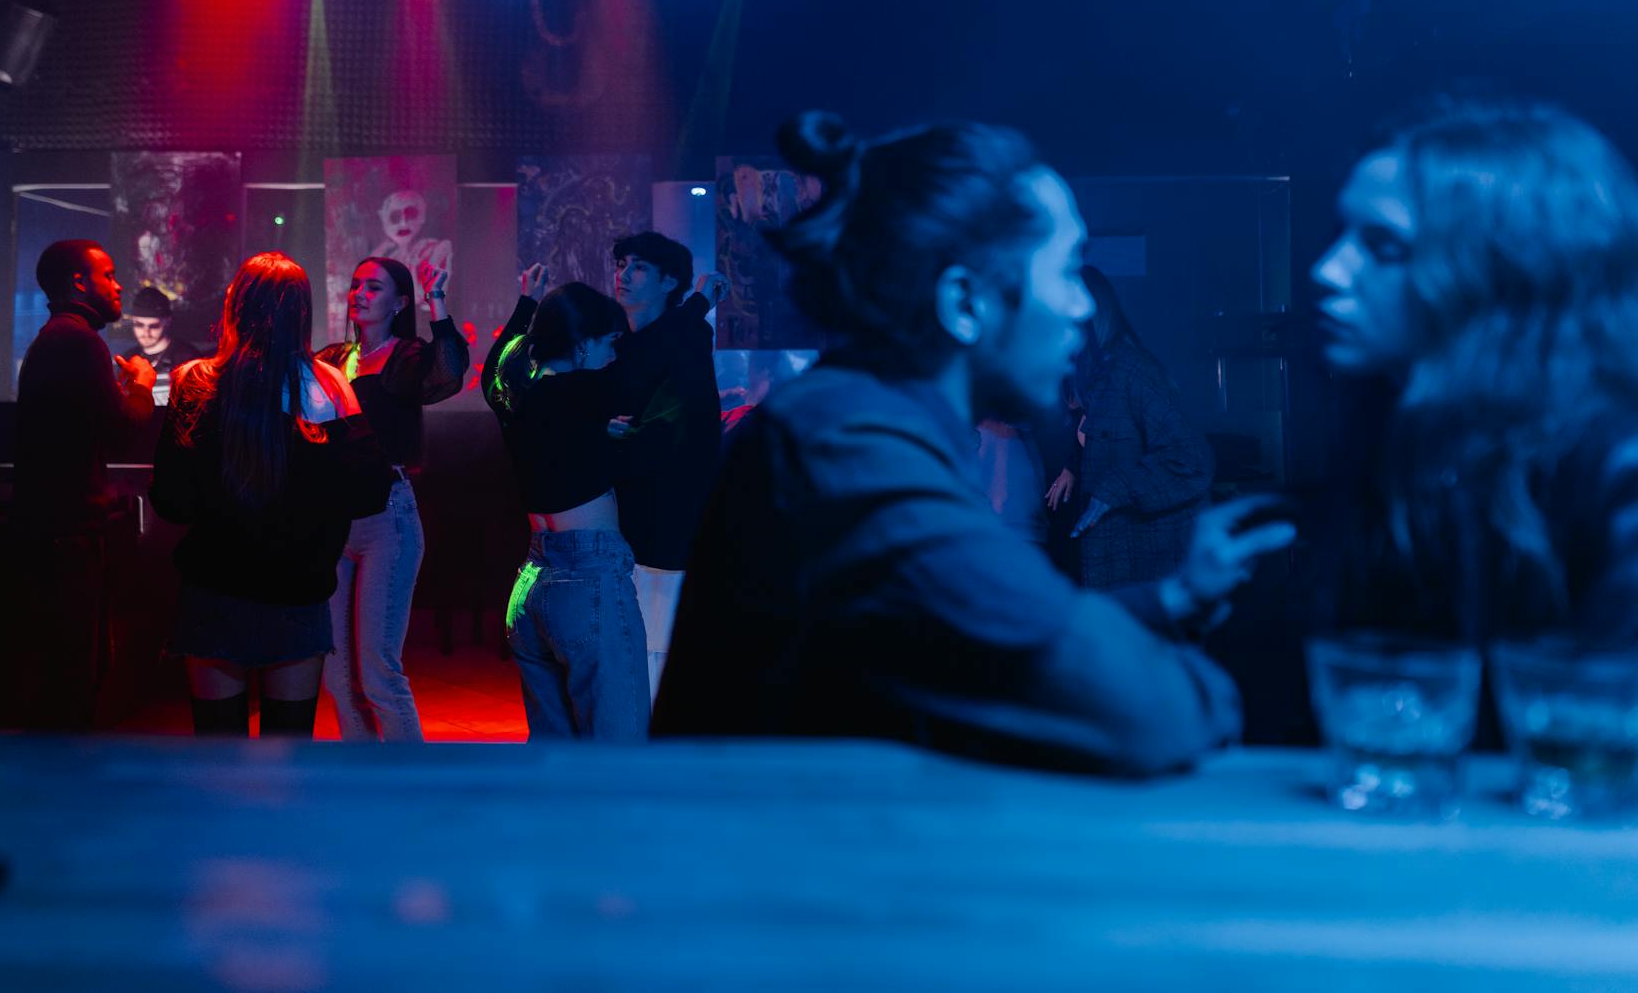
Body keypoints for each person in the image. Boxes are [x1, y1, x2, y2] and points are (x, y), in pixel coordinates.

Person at [654, 112, 1293, 776]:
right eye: (1068, 271)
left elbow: (976, 637)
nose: (1082, 308)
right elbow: (1154, 716)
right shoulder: (849, 451)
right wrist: (1205, 687)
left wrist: (1172, 598)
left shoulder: (865, 419)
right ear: (964, 302)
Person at [1313, 100, 1638, 645]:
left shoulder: (1616, 463)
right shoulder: (1415, 439)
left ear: (1504, 269)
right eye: (1341, 234)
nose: (1327, 270)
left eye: (1384, 246)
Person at [153, 253, 393, 737]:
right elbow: (370, 492)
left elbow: (171, 501)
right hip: (297, 591)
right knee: (289, 748)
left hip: (215, 591)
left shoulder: (194, 382)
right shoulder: (328, 386)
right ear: (302, 314)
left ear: (235, 306)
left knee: (219, 750)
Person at [483, 267, 651, 740]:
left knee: (555, 757)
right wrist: (696, 305)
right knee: (618, 751)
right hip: (587, 576)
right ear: (581, 344)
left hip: (531, 584)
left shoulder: (519, 397)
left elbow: (494, 366)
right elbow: (649, 361)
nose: (613, 354)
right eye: (609, 343)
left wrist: (527, 304)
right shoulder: (584, 391)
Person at [314, 257, 470, 742]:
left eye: (373, 287)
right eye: (356, 284)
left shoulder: (407, 356)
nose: (359, 294)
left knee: (378, 670)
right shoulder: (333, 358)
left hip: (387, 516)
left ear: (400, 302)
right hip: (332, 517)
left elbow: (448, 374)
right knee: (335, 673)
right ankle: (364, 777)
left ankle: (409, 779)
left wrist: (436, 300)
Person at [12, 240, 156, 728]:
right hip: (67, 539)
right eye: (108, 275)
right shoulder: (79, 342)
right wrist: (142, 384)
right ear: (79, 281)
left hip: (52, 534)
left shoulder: (59, 337)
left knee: (66, 671)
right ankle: (68, 771)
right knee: (74, 675)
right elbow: (122, 431)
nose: (118, 286)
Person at [1045, 266, 1216, 589]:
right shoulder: (1094, 377)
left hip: (1145, 569)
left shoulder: (1132, 371)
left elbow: (1192, 460)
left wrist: (1114, 490)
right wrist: (1072, 465)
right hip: (1111, 567)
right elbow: (1105, 441)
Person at [608, 231, 725, 702]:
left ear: (668, 281)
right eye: (621, 264)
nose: (623, 274)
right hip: (618, 505)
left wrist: (696, 306)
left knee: (655, 643)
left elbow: (683, 425)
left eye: (638, 267)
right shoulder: (616, 340)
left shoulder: (685, 336)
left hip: (666, 509)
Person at [124, 287, 204, 406]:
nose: (146, 333)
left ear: (167, 321)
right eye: (139, 325)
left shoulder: (188, 359)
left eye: (153, 326)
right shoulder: (127, 358)